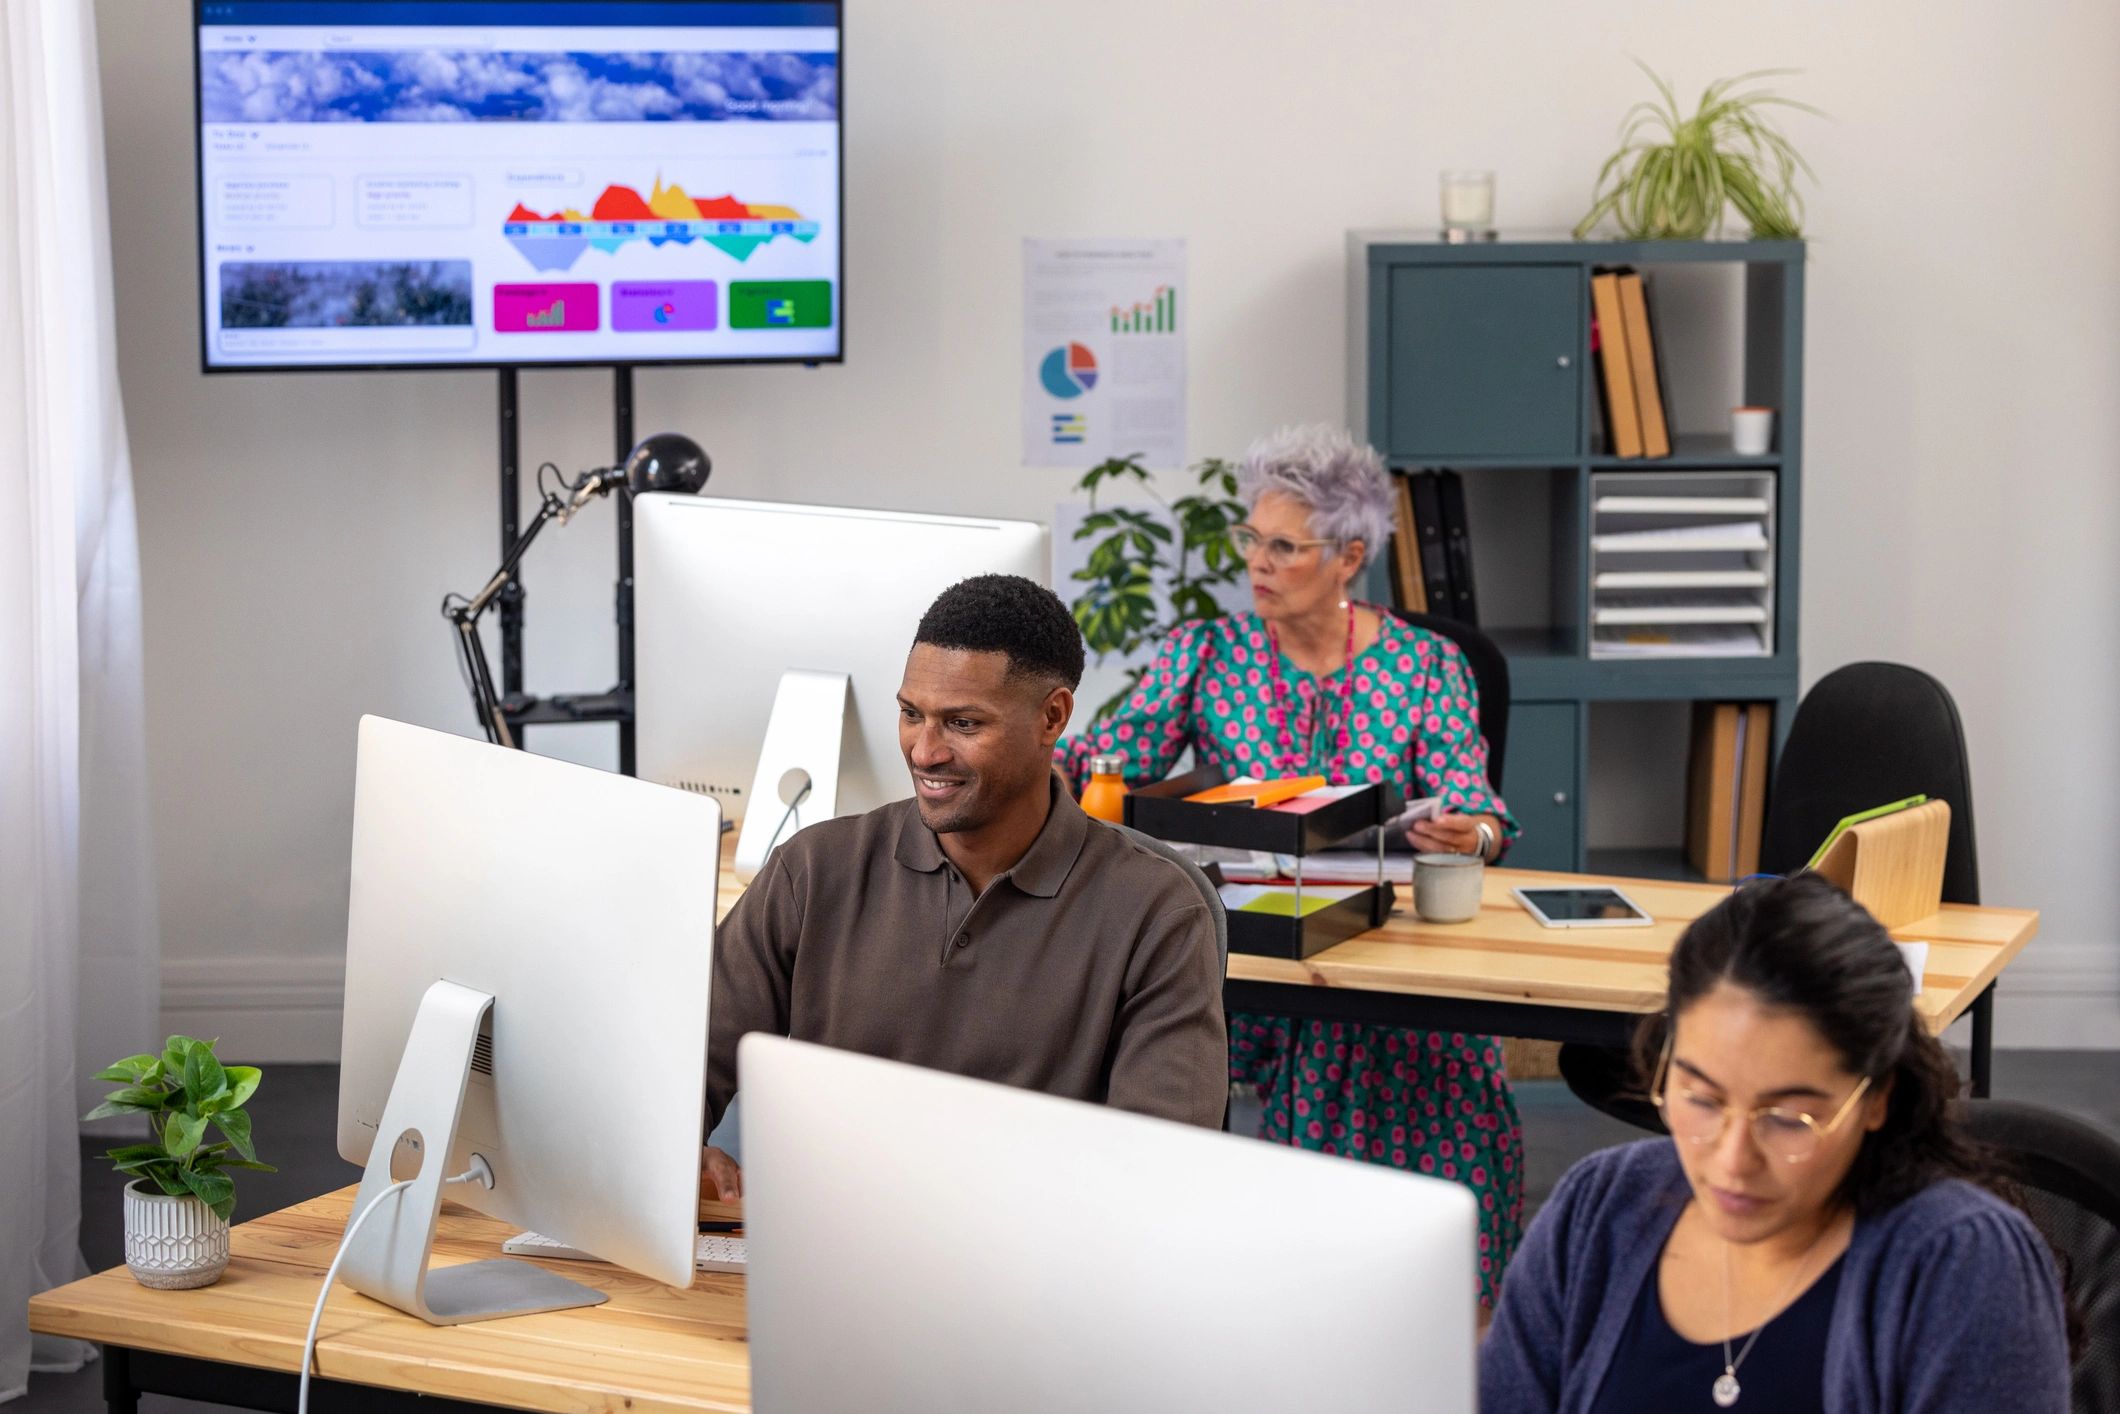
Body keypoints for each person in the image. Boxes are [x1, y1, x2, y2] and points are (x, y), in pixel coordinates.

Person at [1055, 424, 1525, 1305]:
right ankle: (1324, 1281)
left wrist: (1471, 835)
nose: (1256, 563)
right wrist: (1020, 749)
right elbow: (1106, 757)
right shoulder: (1206, 653)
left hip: (1384, 948)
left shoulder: (1431, 667)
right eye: (1251, 539)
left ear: (1349, 556)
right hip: (1244, 945)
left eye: (1282, 546)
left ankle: (1407, 1288)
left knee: (1415, 1047)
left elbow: (1480, 810)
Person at [701, 574, 1228, 1200]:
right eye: (910, 714)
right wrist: (685, 1150)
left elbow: (1163, 1177)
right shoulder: (814, 871)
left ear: (1052, 717)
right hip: (817, 1246)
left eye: (963, 723)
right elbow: (681, 1069)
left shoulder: (1158, 911)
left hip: (1033, 1273)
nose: (924, 751)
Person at [1480, 873, 2072, 1413]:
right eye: (1702, 1099)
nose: (1733, 1161)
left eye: (1789, 1118)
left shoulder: (1960, 1267)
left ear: (1875, 1100)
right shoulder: (1596, 1213)